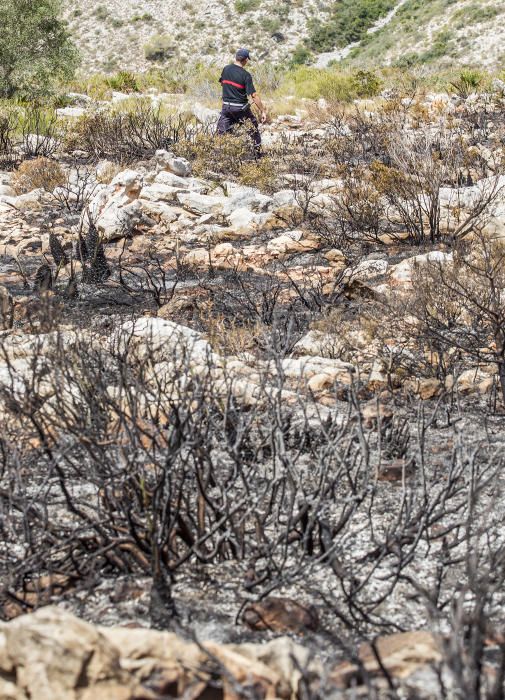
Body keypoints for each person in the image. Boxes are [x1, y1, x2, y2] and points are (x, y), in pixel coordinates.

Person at [217, 48, 268, 156]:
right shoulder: (246, 75)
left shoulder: (226, 69)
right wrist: (262, 111)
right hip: (241, 109)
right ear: (245, 60)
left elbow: (222, 83)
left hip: (226, 107)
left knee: (221, 134)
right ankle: (258, 156)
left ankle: (219, 156)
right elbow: (254, 95)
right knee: (254, 131)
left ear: (236, 58)